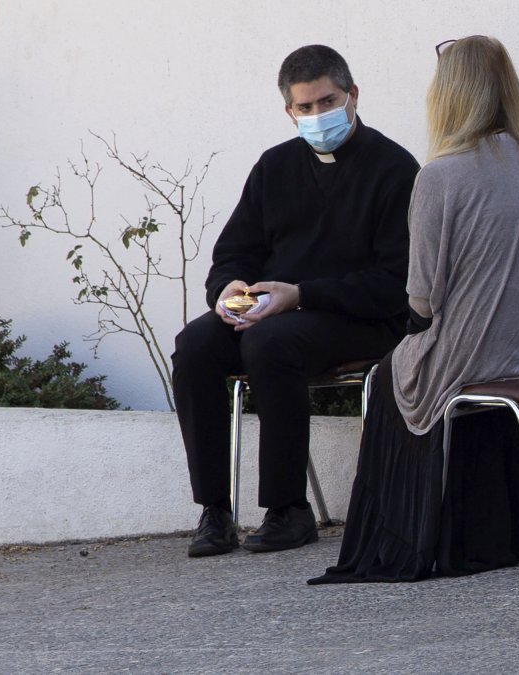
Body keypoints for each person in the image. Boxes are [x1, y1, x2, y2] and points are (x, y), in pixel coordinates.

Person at [310, 36, 519, 584]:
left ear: (447, 95)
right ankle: (505, 530)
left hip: (472, 359)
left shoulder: (441, 176)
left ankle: (407, 537)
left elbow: (422, 300)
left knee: (390, 374)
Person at [173, 45, 420, 558]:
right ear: (288, 110)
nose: (316, 116)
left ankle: (289, 510)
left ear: (352, 96)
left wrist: (301, 295)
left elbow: (395, 281)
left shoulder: (394, 168)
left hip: (360, 318)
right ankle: (215, 511)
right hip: (273, 311)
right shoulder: (274, 167)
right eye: (304, 108)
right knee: (194, 344)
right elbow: (235, 252)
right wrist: (228, 290)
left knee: (270, 344)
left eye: (326, 102)